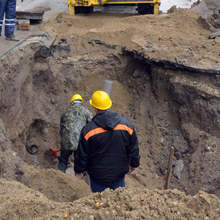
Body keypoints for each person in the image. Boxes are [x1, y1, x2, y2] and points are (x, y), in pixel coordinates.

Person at [74, 91, 140, 193]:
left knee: (99, 203)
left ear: (94, 108)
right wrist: (134, 165)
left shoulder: (88, 130)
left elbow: (82, 155)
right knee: (119, 200)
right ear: (109, 104)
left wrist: (79, 171)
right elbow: (133, 148)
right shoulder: (127, 126)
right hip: (118, 175)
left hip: (97, 177)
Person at [58, 94, 93, 173]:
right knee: (80, 162)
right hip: (80, 142)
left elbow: (61, 128)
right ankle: (79, 180)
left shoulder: (65, 112)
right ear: (81, 102)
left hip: (66, 141)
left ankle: (59, 176)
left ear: (72, 102)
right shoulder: (86, 112)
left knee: (63, 160)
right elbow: (92, 125)